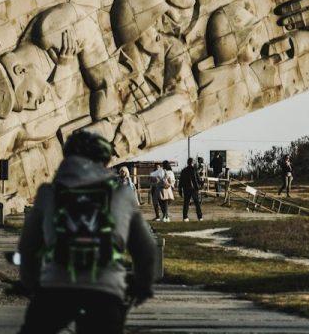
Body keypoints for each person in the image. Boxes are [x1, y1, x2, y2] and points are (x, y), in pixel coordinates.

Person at [15, 129, 157, 334]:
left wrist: (30, 282)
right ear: (104, 160)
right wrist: (143, 284)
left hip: (56, 289)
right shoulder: (121, 194)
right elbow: (146, 250)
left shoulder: (49, 193)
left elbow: (28, 247)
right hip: (105, 290)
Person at [178, 158, 203, 222]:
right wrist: (200, 184)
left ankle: (185, 217)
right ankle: (200, 217)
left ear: (187, 162)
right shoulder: (195, 170)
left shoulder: (183, 170)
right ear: (192, 162)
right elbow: (198, 179)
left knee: (186, 203)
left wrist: (180, 189)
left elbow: (181, 181)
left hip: (186, 188)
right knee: (197, 203)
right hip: (194, 188)